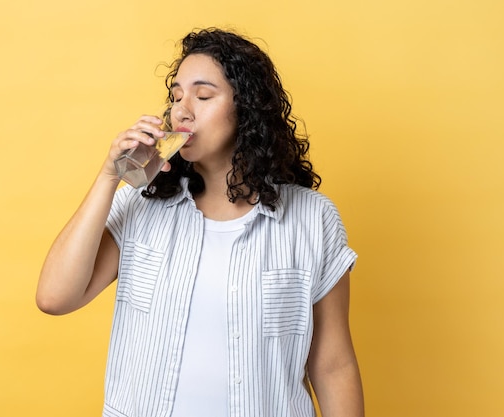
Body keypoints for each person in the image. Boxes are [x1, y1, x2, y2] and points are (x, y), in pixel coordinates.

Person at [37, 27, 364, 417]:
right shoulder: (141, 206)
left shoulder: (313, 219)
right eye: (176, 96)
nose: (181, 109)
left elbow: (332, 366)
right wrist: (110, 177)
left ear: (248, 108)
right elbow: (54, 298)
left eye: (203, 95)